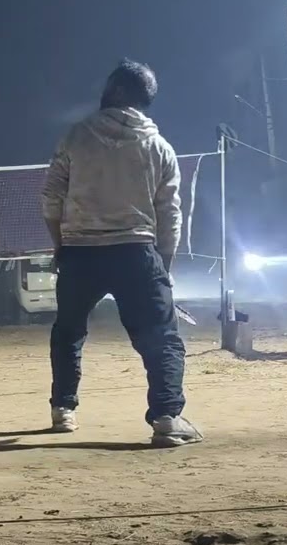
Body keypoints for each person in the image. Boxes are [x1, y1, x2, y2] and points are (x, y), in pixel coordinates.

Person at [40, 59, 202, 448]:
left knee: (68, 332)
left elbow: (51, 199)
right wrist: (164, 264)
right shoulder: (160, 147)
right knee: (160, 336)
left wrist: (61, 246)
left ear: (115, 91)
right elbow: (170, 214)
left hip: (81, 251)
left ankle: (64, 410)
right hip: (136, 250)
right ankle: (166, 417)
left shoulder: (75, 137)